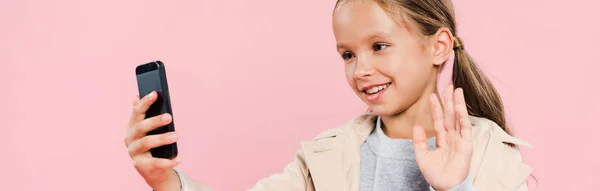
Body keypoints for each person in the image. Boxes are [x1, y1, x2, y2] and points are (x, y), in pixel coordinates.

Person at [124, 0, 533, 190]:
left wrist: (454, 188)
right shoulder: (323, 158)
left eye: (380, 45)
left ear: (438, 46)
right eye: (348, 54)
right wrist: (165, 181)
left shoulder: (490, 152)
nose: (361, 70)